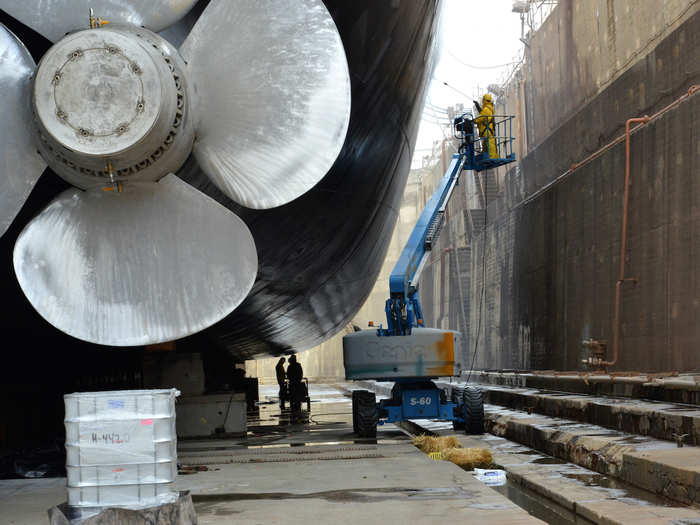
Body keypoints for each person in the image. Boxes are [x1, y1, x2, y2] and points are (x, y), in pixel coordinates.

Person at [474, 93, 497, 159]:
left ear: (484, 100)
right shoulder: (489, 108)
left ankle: (492, 157)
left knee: (490, 145)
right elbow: (483, 114)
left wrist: (473, 121)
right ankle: (484, 156)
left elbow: (481, 118)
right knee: (486, 144)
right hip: (488, 131)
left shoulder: (487, 109)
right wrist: (478, 107)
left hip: (487, 131)